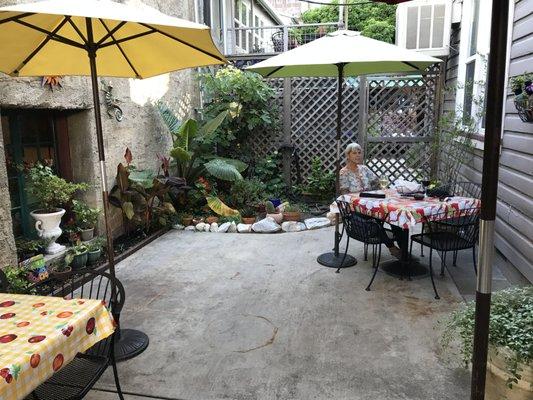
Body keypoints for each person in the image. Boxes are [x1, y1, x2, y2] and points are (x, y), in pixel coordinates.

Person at [339, 143, 402, 259]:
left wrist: (378, 190)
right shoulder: (344, 172)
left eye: (359, 153)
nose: (358, 156)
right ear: (348, 155)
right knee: (376, 222)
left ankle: (404, 249)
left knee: (394, 217)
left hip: (371, 205)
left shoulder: (364, 169)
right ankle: (392, 247)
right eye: (354, 153)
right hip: (356, 208)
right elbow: (345, 195)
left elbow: (377, 182)